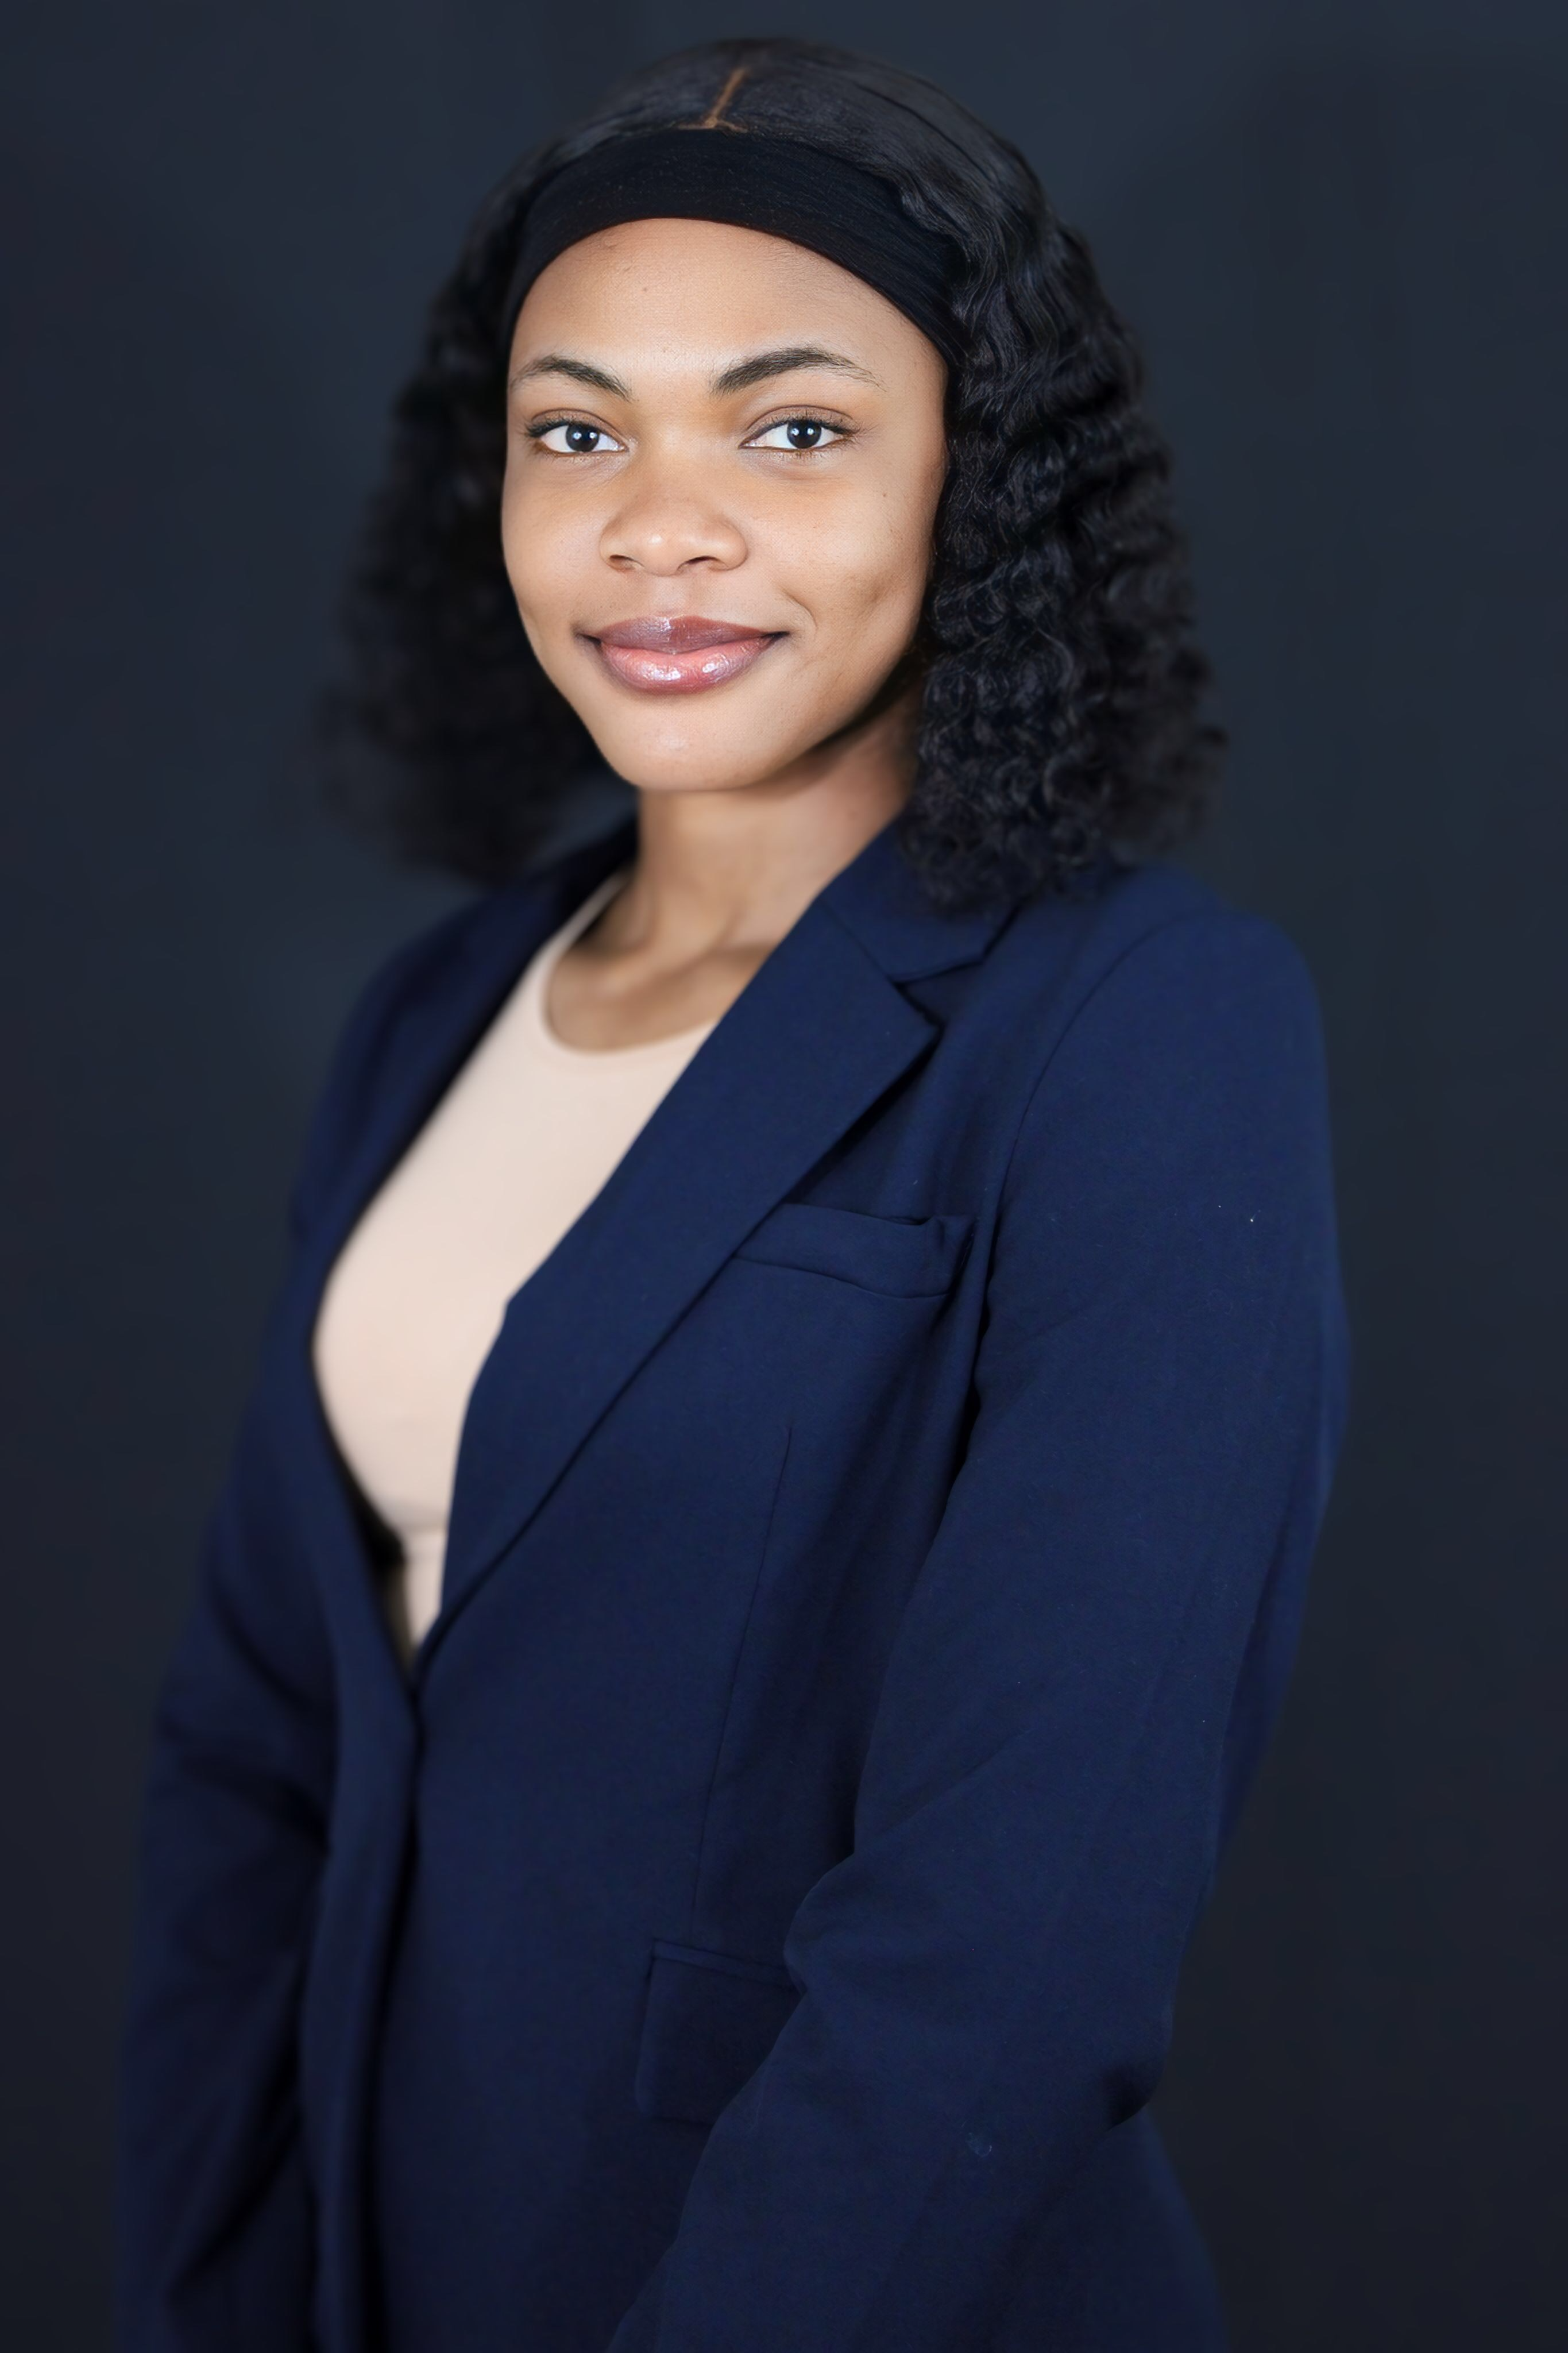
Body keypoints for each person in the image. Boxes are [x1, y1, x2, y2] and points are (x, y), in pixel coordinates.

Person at [117, 36, 1346, 2353]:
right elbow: (258, 1752)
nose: (654, 530)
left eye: (789, 432)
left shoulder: (1143, 1028)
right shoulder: (436, 1009)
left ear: (976, 475)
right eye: (577, 432)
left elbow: (1021, 1928)